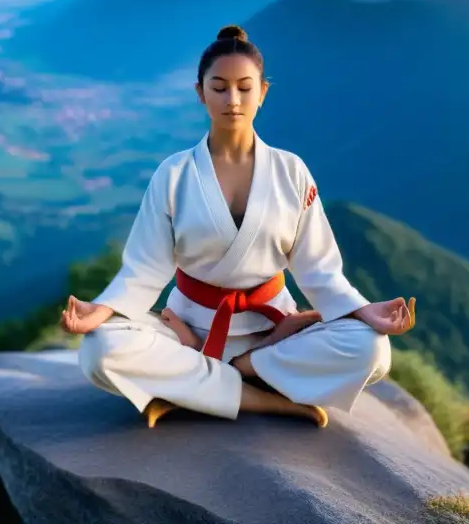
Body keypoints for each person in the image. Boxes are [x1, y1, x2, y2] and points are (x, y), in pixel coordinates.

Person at [60, 24, 416, 428]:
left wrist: (362, 310)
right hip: (187, 333)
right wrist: (101, 311)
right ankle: (263, 398)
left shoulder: (291, 171)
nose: (233, 100)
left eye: (245, 88)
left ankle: (219, 378)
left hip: (275, 334)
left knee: (372, 351)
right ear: (200, 93)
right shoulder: (173, 174)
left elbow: (320, 270)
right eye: (219, 87)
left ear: (263, 92)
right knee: (99, 350)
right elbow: (143, 269)